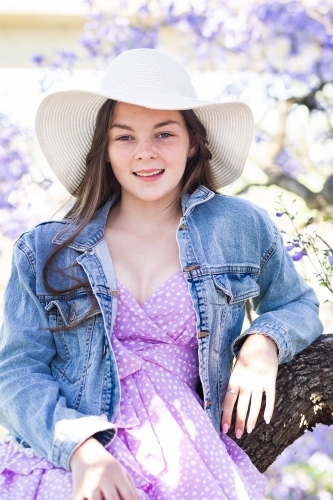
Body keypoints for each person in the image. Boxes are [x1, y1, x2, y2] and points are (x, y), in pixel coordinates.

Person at [0, 48, 323, 500]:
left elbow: (297, 304)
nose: (145, 153)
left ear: (193, 142)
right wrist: (81, 450)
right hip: (73, 452)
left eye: (164, 133)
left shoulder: (240, 228)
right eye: (125, 137)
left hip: (186, 455)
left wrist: (264, 342)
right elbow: (17, 371)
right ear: (106, 150)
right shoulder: (45, 250)